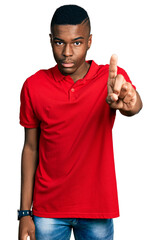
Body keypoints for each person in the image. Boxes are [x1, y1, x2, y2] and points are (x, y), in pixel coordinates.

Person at [18, 4, 142, 240]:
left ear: (89, 41)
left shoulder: (109, 79)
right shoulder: (33, 86)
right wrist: (25, 212)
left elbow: (132, 104)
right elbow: (30, 148)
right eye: (59, 42)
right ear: (50, 40)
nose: (67, 52)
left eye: (76, 42)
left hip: (96, 209)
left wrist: (131, 100)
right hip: (47, 211)